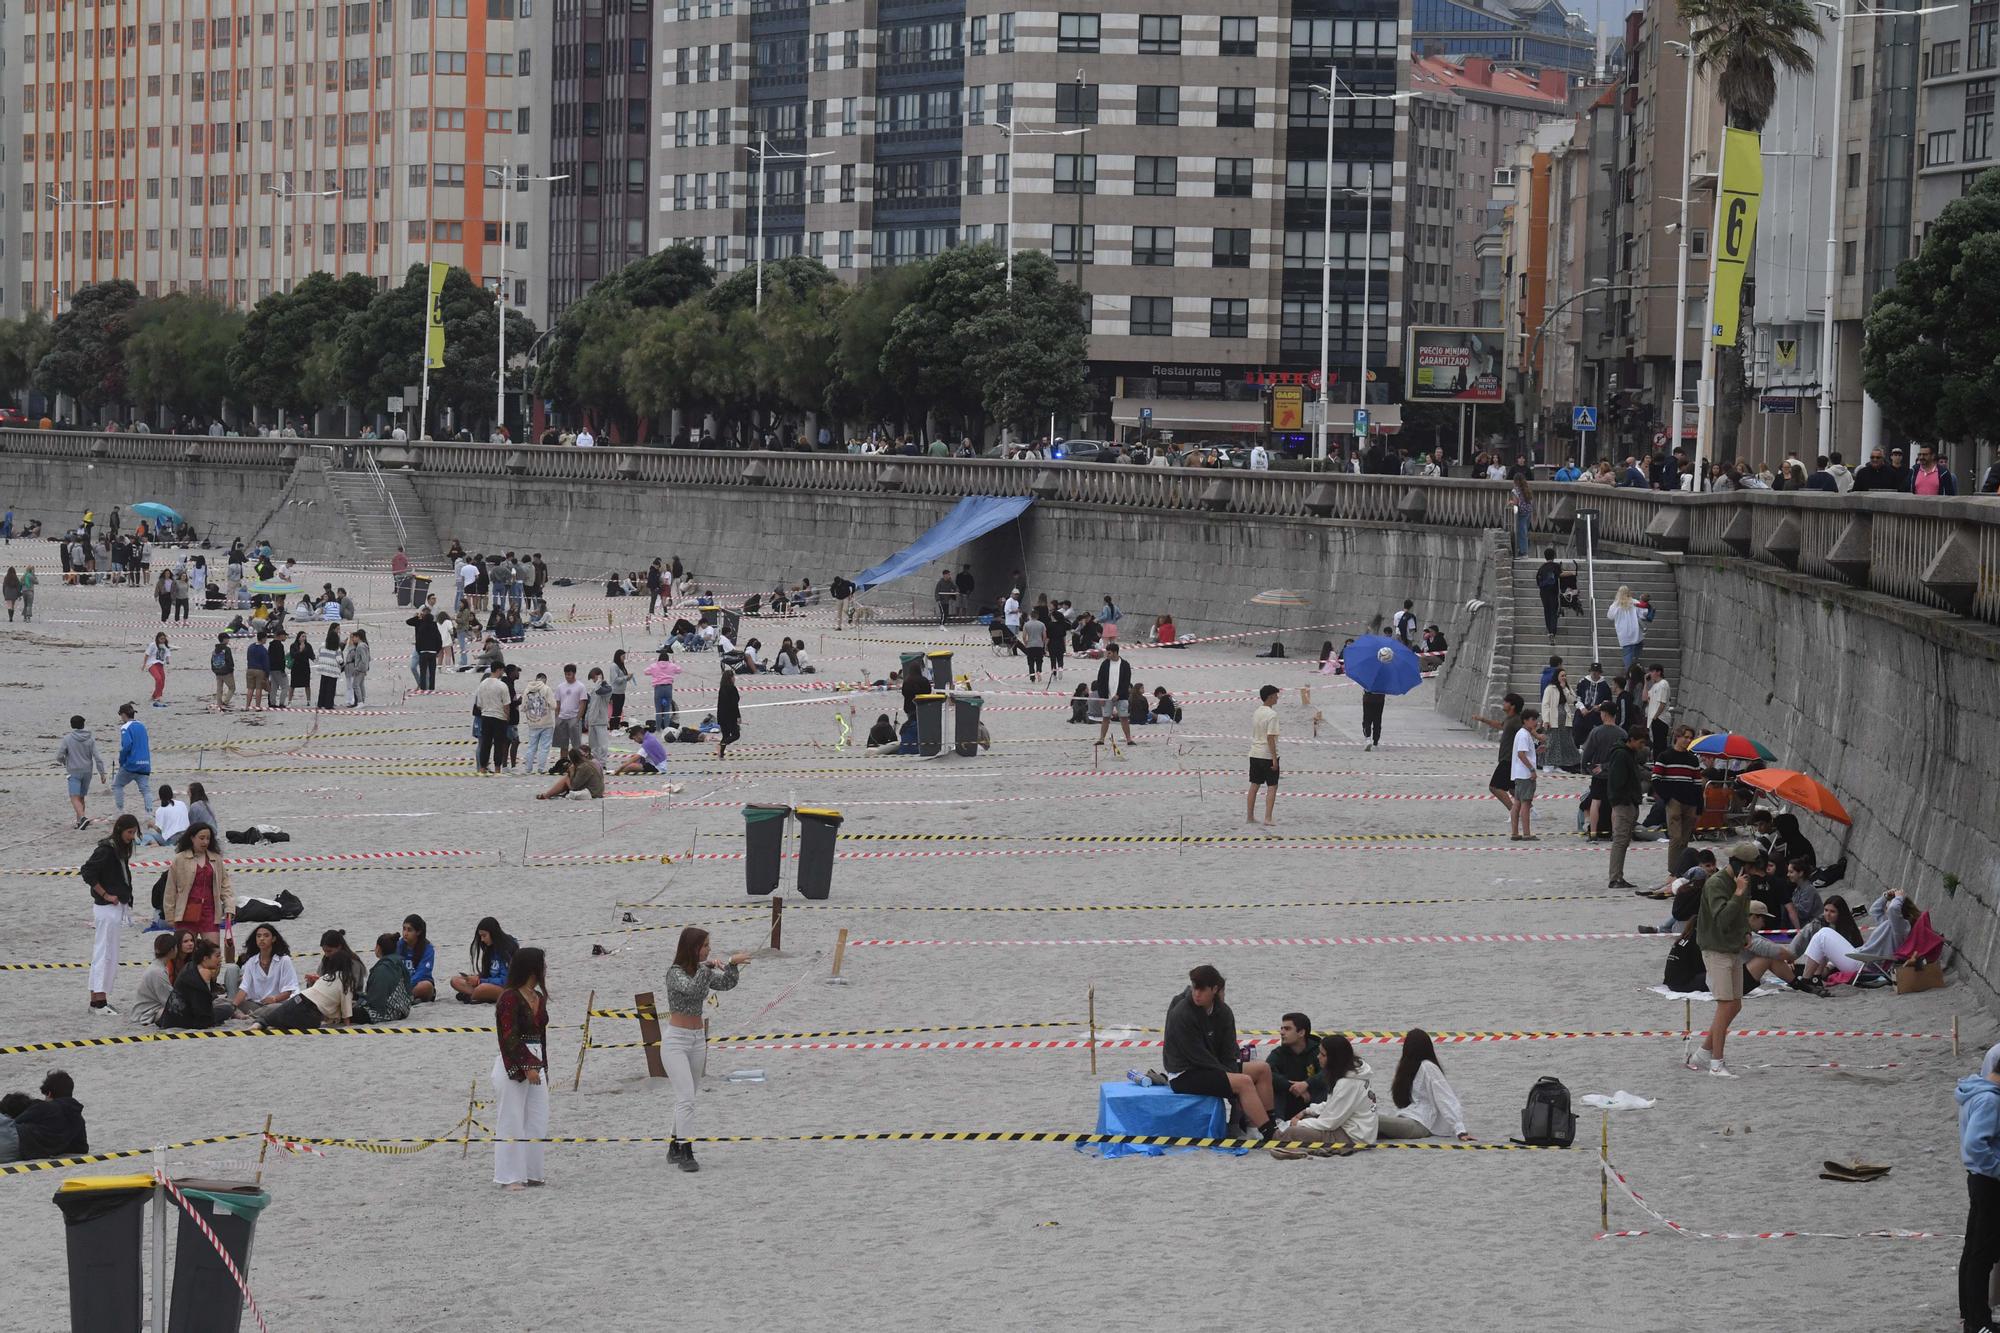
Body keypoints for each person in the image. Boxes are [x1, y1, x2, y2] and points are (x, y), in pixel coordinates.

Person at [1153, 964, 1279, 1139]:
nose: (1196, 993)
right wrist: (1229, 1077)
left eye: (1202, 989)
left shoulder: (1224, 1012)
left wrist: (1229, 1071)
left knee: (1262, 1069)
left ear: (1215, 989)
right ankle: (1270, 1134)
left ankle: (1266, 1125)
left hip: (1212, 1066)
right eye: (1195, 987)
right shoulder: (1182, 1013)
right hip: (1184, 1072)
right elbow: (1197, 1057)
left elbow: (1229, 1051)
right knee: (1243, 1082)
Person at [663, 926, 749, 1171]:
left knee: (687, 1096)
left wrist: (731, 966)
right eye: (705, 945)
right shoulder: (675, 973)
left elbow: (727, 984)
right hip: (675, 1041)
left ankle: (673, 1144)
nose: (709, 949)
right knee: (686, 1097)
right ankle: (687, 1151)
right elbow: (694, 989)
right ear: (693, 948)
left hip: (697, 1039)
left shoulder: (703, 970)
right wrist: (708, 967)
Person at [1686, 841, 1760, 1077]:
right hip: (1715, 949)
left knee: (1735, 1004)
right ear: (1742, 866)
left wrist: (1746, 932)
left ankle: (1703, 1053)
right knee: (1725, 1004)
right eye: (1751, 867)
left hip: (1733, 948)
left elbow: (1741, 914)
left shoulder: (1744, 883)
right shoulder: (1717, 884)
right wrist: (1737, 892)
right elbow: (1723, 918)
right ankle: (1717, 1063)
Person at [489, 945, 551, 1189]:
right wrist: (527, 1065)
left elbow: (542, 1036)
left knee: (537, 1117)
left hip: (536, 1061)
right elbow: (508, 1037)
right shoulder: (509, 998)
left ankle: (532, 1172)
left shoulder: (539, 998)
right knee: (511, 1118)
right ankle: (510, 1177)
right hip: (512, 1062)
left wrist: (543, 1066)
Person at [1267, 1035, 1377, 1159]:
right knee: (1306, 1119)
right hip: (1351, 1128)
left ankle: (1305, 1151)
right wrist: (1306, 1111)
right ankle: (1307, 1147)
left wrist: (1299, 1123)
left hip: (1351, 1137)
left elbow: (1330, 1122)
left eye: (1322, 1055)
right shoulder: (1351, 1074)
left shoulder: (1347, 1083)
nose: (1318, 1057)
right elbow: (1332, 1104)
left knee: (1284, 1133)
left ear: (1334, 1059)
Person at [1958, 1047, 2000, 1333]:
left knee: (1974, 1249)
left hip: (1980, 1179)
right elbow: (1975, 1145)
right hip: (1989, 1182)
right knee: (1982, 1255)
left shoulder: (1977, 1091)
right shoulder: (1989, 1101)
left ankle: (1972, 1315)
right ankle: (1978, 1322)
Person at [83, 813, 140, 1016]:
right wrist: (106, 894)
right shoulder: (106, 850)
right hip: (106, 908)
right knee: (103, 954)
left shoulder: (119, 850)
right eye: (129, 832)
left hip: (116, 908)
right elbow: (88, 872)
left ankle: (101, 999)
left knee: (109, 955)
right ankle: (97, 1002)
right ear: (120, 830)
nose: (132, 836)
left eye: (134, 832)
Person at [1377, 1030, 1473, 1141]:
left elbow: (1445, 1097)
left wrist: (1460, 1129)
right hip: (1411, 1117)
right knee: (1369, 1119)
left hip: (1422, 1124)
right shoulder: (1410, 1069)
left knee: (1372, 1119)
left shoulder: (1428, 1067)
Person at [259, 932, 361, 1029]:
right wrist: (313, 981)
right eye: (324, 951)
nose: (326, 954)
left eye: (329, 951)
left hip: (343, 1002)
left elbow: (350, 990)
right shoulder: (326, 960)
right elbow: (321, 986)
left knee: (283, 1012)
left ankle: (263, 1020)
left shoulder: (352, 963)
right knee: (281, 1009)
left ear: (339, 947)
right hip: (316, 1002)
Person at [163, 823, 233, 949]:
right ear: (192, 838)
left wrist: (229, 907)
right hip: (186, 913)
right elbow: (170, 889)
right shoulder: (180, 859)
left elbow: (225, 885)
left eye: (208, 838)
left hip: (209, 912)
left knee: (213, 952)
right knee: (184, 955)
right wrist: (170, 916)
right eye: (201, 838)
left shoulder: (216, 859)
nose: (205, 842)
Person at [1605, 725, 1647, 889]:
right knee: (1620, 841)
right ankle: (1615, 878)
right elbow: (1617, 782)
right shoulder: (1622, 755)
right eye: (1641, 743)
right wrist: (1625, 800)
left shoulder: (1628, 754)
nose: (1642, 747)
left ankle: (1617, 876)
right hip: (1623, 804)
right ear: (1632, 740)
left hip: (1628, 802)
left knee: (1623, 841)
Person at [13, 1071, 88, 1160]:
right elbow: (82, 1148)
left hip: (19, 1145)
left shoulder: (44, 1107)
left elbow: (12, 1125)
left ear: (49, 1093)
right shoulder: (78, 1118)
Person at [232, 923, 300, 1023]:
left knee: (277, 1009)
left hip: (280, 1003)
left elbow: (289, 990)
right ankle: (253, 1014)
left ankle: (253, 1015)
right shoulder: (251, 962)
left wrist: (274, 999)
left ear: (273, 939)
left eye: (266, 935)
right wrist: (232, 1007)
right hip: (258, 1004)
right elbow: (244, 988)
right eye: (258, 936)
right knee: (232, 1003)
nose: (262, 939)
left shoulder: (284, 960)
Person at [1265, 1013, 1326, 1121]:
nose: (1282, 1032)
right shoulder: (1278, 1053)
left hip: (1313, 1098)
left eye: (1287, 1029)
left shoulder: (1319, 1051)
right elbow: (1267, 1072)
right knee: (1273, 1086)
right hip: (1290, 1098)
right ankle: (1278, 1124)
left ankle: (1317, 1121)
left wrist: (1306, 1084)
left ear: (1301, 1032)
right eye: (1281, 1028)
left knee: (1325, 1086)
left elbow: (1328, 1072)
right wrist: (1291, 1086)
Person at [1473, 692, 1524, 822]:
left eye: (1505, 702)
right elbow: (1500, 725)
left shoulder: (1517, 720)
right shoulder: (1509, 719)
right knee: (1513, 789)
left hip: (1509, 759)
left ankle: (1514, 812)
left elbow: (1526, 730)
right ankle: (1530, 811)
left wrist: (1538, 735)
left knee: (1494, 787)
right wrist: (1482, 719)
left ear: (1512, 706)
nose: (1503, 704)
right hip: (1507, 758)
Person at [158, 939, 228, 1028]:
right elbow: (204, 1005)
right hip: (187, 1019)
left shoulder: (191, 965)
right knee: (227, 1009)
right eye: (217, 956)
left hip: (172, 1014)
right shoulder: (204, 972)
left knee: (222, 1006)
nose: (220, 959)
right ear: (206, 958)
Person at [449, 918, 517, 1003]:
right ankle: (477, 995)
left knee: (482, 988)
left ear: (493, 933)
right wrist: (477, 978)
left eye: (484, 936)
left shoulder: (507, 949)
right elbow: (488, 974)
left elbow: (505, 981)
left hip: (505, 989)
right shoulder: (490, 948)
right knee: (455, 980)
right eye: (480, 936)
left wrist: (480, 981)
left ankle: (473, 996)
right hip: (488, 983)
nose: (482, 939)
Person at [59, 715, 108, 830]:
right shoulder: (90, 739)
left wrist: (64, 761)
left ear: (71, 725)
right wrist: (102, 773)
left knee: (74, 797)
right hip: (87, 771)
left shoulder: (67, 739)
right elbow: (97, 757)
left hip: (74, 770)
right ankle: (79, 822)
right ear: (83, 724)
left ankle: (82, 818)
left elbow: (59, 755)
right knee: (81, 797)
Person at [1246, 684, 1281, 826]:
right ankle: (1267, 817)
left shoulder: (1256, 712)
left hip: (1254, 753)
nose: (1277, 697)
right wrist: (1274, 759)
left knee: (1254, 786)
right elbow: (1270, 737)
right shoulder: (1273, 715)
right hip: (1266, 754)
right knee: (1272, 786)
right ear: (1270, 697)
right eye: (1276, 695)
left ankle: (1250, 817)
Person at [359, 933, 415, 1023]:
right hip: (403, 1010)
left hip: (387, 1013)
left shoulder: (382, 969)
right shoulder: (398, 963)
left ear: (378, 948)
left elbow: (375, 1001)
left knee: (351, 1012)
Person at [112, 702, 155, 818]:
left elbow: (126, 745)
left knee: (117, 785)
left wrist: (122, 760)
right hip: (145, 763)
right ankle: (149, 813)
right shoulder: (142, 725)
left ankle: (119, 812)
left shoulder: (125, 727)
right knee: (145, 789)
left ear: (124, 715)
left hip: (131, 764)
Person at [131, 933, 184, 1024]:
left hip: (148, 1008)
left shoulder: (158, 966)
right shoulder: (158, 972)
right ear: (172, 950)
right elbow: (168, 1000)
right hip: (146, 1013)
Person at [1092, 643, 1135, 749]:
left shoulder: (1125, 665)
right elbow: (1100, 681)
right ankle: (1101, 739)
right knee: (1105, 718)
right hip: (1107, 697)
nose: (1107, 654)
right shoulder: (1104, 664)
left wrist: (1119, 694)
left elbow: (1126, 682)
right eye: (1107, 652)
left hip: (1121, 697)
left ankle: (1129, 739)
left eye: (1109, 652)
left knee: (1124, 718)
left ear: (1115, 652)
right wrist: (1101, 696)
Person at [1509, 708, 1541, 840]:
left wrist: (1538, 751)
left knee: (1517, 803)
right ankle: (1526, 833)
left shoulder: (1523, 734)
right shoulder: (1523, 735)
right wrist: (1531, 769)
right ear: (1525, 720)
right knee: (1525, 804)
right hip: (1525, 774)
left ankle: (1515, 833)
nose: (1535, 723)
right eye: (1532, 720)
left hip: (1519, 773)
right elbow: (1521, 754)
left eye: (1535, 720)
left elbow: (1525, 753)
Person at [474, 664, 512, 773]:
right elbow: (506, 705)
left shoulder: (482, 684)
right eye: (502, 671)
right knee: (498, 744)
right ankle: (497, 769)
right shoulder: (502, 685)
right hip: (499, 717)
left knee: (485, 744)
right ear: (499, 670)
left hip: (485, 716)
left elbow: (479, 704)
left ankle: (482, 768)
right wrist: (507, 717)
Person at [520, 672, 558, 774]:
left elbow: (523, 707)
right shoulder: (546, 689)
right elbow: (554, 706)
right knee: (544, 747)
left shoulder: (527, 689)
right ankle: (540, 768)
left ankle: (528, 768)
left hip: (532, 722)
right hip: (546, 723)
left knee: (531, 746)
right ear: (545, 680)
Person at [537, 747, 605, 799]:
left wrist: (571, 772)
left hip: (592, 793)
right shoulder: (588, 763)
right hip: (597, 790)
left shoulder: (583, 767)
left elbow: (574, 786)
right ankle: (549, 794)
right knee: (567, 778)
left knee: (566, 778)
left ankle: (547, 795)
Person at [398, 913, 438, 1002]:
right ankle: (406, 998)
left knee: (425, 986)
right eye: (404, 929)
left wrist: (406, 986)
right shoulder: (398, 945)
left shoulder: (427, 949)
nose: (405, 933)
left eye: (409, 930)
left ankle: (407, 998)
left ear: (418, 932)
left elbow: (422, 973)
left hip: (418, 983)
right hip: (400, 986)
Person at [1606, 586, 1647, 672]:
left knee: (1627, 652)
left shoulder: (1615, 605)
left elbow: (1610, 616)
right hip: (1635, 631)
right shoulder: (1635, 602)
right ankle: (1636, 666)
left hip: (1623, 633)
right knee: (1637, 648)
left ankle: (1629, 673)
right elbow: (1643, 614)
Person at [553, 664, 588, 754]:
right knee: (563, 745)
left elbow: (582, 704)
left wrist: (577, 719)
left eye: (569, 674)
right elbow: (558, 704)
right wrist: (557, 718)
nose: (567, 677)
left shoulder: (581, 686)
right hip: (562, 718)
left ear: (574, 674)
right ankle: (563, 763)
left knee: (576, 746)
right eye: (566, 674)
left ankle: (577, 764)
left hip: (574, 718)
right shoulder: (560, 687)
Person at [407, 605, 443, 690]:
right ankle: (422, 684)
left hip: (425, 650)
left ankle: (426, 687)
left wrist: (436, 650)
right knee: (413, 667)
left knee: (428, 671)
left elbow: (438, 639)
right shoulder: (418, 622)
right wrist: (417, 617)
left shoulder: (433, 625)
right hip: (420, 649)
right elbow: (408, 622)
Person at [1534, 546, 1563, 638]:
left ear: (1545, 557)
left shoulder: (1541, 568)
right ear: (1554, 556)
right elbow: (1561, 576)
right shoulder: (1556, 566)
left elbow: (1538, 582)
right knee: (1553, 611)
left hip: (1543, 593)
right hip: (1553, 592)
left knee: (1547, 611)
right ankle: (1552, 632)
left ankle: (1549, 629)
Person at [314, 623, 343, 708]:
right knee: (331, 688)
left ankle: (320, 703)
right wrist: (342, 665)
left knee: (323, 687)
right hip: (333, 671)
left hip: (323, 669)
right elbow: (339, 660)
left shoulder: (322, 645)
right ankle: (328, 704)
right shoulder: (337, 648)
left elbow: (319, 655)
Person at [716, 669, 742, 759]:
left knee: (725, 735)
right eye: (733, 677)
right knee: (736, 735)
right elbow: (734, 705)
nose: (734, 678)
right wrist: (738, 717)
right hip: (730, 716)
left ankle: (721, 753)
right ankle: (721, 745)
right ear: (730, 678)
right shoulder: (732, 689)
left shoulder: (722, 688)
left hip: (721, 716)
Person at [209, 633, 237, 710]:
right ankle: (225, 702)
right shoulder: (227, 649)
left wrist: (215, 670)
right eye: (227, 639)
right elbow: (230, 661)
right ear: (224, 639)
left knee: (219, 689)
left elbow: (212, 661)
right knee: (232, 688)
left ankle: (219, 703)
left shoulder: (215, 650)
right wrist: (231, 669)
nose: (228, 640)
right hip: (226, 672)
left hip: (217, 672)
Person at [1021, 613, 1048, 683]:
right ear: (1037, 616)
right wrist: (1043, 643)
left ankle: (1032, 677)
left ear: (1030, 616)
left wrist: (1025, 643)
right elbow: (1044, 636)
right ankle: (1039, 671)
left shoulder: (1026, 624)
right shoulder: (1042, 624)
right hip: (1039, 645)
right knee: (1039, 660)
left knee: (1030, 662)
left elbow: (1024, 636)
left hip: (1030, 645)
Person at [1509, 476, 1533, 556]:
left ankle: (1523, 551)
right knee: (1525, 531)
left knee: (1521, 532)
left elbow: (1515, 502)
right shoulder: (1527, 489)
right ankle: (1525, 549)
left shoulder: (1515, 490)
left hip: (1521, 512)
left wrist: (1510, 502)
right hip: (1528, 511)